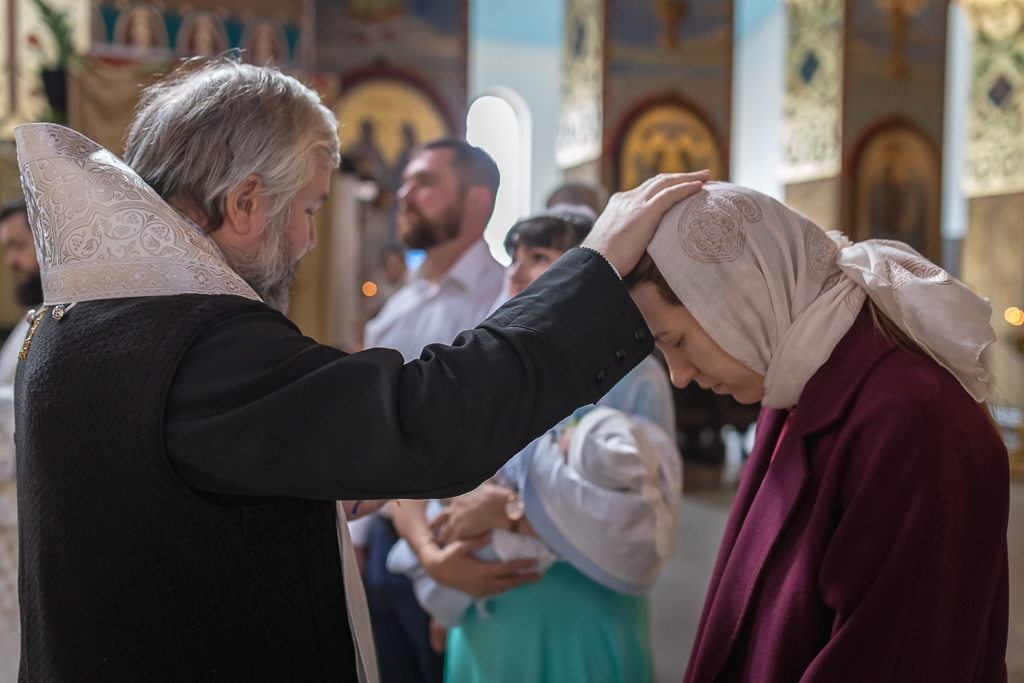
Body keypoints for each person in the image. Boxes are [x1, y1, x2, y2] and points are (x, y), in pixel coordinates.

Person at [12, 59, 709, 682]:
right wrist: (593, 273)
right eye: (309, 208)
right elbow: (426, 419)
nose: (309, 238)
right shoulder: (193, 342)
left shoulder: (88, 322)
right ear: (246, 202)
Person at [622, 182, 1007, 682]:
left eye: (677, 341)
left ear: (740, 299)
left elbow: (896, 658)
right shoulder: (791, 382)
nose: (678, 374)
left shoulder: (914, 423)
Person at [393, 406, 681, 683]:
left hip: (591, 614)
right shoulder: (458, 372)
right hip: (485, 615)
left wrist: (509, 511)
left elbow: (648, 525)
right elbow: (403, 476)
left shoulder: (636, 380)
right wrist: (431, 558)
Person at [359, 139, 505, 683]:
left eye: (424, 182)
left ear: (476, 201)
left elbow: (495, 435)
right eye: (406, 181)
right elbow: (369, 429)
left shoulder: (503, 302)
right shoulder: (399, 306)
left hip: (457, 547)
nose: (404, 193)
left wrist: (447, 588)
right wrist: (357, 543)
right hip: (383, 541)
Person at [0, 198, 40, 683]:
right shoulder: (29, 324)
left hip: (29, 531)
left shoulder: (62, 319)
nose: (11, 260)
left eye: (17, 245)